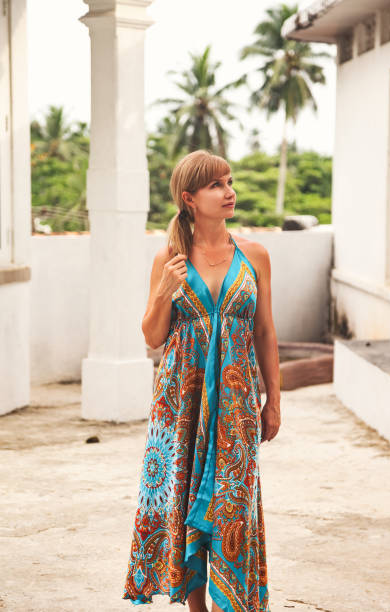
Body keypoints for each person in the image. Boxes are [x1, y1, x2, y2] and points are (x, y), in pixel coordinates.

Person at [122, 149, 281, 612]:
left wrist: (273, 400)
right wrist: (163, 293)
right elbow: (154, 336)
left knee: (233, 503)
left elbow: (266, 332)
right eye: (216, 185)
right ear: (189, 198)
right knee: (182, 499)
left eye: (229, 182)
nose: (229, 192)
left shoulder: (254, 255)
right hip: (179, 402)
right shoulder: (169, 258)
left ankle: (234, 603)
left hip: (235, 402)